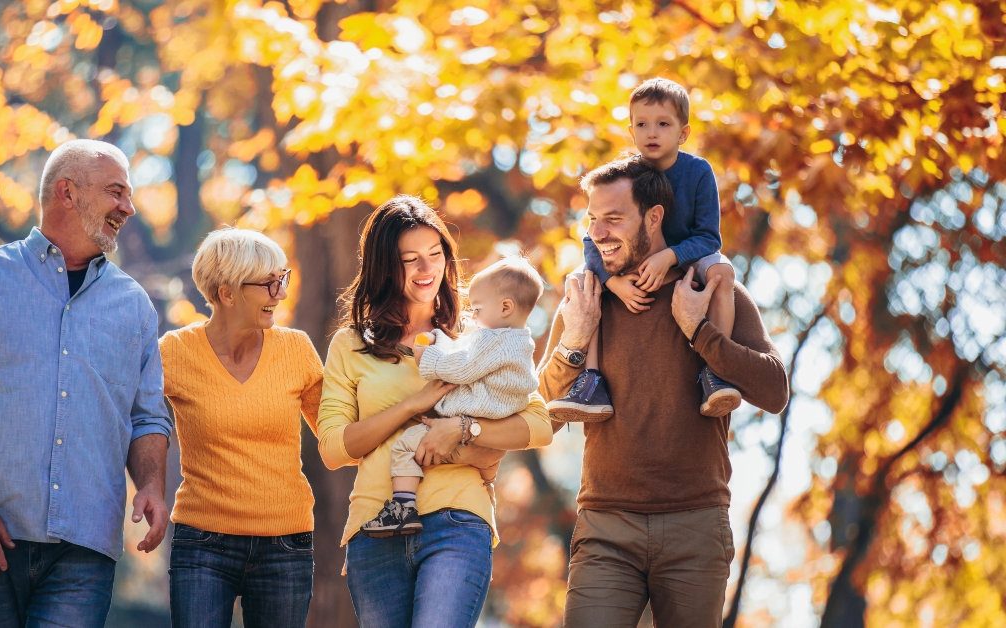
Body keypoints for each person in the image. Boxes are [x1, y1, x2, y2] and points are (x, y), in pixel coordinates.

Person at [0, 139, 172, 627]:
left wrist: (152, 485)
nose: (129, 208)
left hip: (85, 549)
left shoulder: (134, 305)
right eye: (116, 192)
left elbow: (147, 416)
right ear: (67, 192)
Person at [539, 156, 789, 627]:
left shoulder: (713, 292)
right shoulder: (587, 299)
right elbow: (538, 415)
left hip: (696, 524)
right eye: (592, 219)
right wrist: (573, 342)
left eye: (614, 218)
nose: (599, 232)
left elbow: (775, 391)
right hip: (605, 525)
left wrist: (701, 332)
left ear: (654, 217)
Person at [317, 195, 553, 628]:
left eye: (435, 255)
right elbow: (333, 449)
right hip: (375, 526)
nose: (427, 270)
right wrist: (413, 404)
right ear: (384, 266)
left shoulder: (478, 334)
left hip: (458, 520)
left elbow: (538, 425)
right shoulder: (350, 345)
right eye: (410, 259)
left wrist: (463, 430)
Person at [549, 77, 741, 422]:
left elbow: (709, 237)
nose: (652, 133)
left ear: (683, 133)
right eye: (642, 124)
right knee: (583, 283)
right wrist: (610, 281)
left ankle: (716, 370)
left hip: (688, 260)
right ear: (631, 130)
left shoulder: (698, 172)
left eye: (663, 124)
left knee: (722, 272)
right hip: (626, 265)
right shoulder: (628, 175)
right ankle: (590, 381)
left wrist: (670, 256)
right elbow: (594, 239)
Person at [160, 228, 322, 628]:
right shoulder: (173, 352)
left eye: (281, 279)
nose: (280, 294)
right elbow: (130, 417)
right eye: (269, 284)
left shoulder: (297, 349)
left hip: (285, 544)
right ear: (227, 294)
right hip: (202, 543)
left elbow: (340, 437)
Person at [361, 257, 543, 537]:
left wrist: (427, 356)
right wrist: (440, 339)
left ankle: (402, 507)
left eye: (478, 308)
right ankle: (487, 492)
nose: (473, 316)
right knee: (486, 464)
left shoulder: (490, 339)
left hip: (473, 411)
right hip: (497, 418)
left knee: (405, 446)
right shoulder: (519, 342)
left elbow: (461, 366)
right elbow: (465, 351)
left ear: (506, 307)